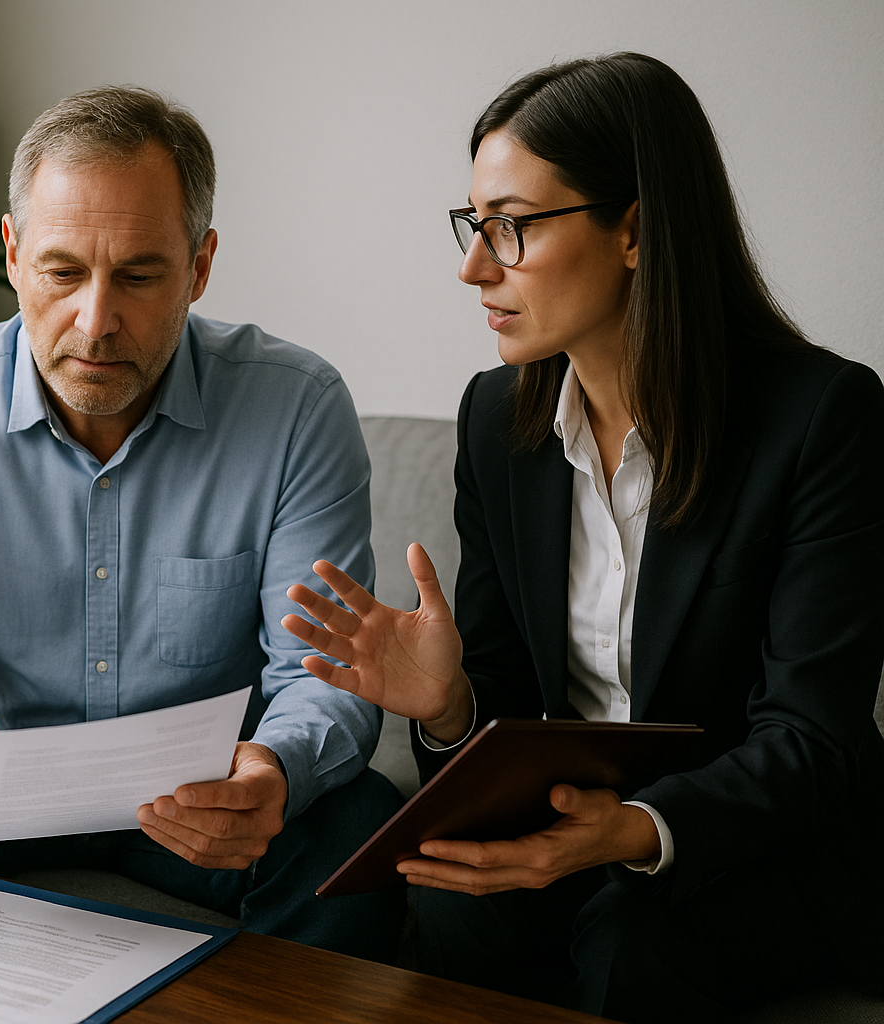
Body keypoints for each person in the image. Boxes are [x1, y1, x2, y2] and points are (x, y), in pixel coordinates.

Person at [284, 52, 884, 1022]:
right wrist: (446, 706)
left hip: (752, 844)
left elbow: (813, 739)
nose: (473, 265)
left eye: (511, 227)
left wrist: (633, 830)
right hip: (575, 827)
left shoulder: (822, 418)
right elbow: (511, 712)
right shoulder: (497, 421)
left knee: (629, 940)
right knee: (452, 902)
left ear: (637, 229)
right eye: (474, 225)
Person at [0, 85, 406, 959]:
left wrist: (274, 770)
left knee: (358, 825)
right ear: (13, 255)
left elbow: (325, 674)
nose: (95, 324)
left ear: (199, 268)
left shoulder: (297, 408)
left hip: (198, 805)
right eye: (62, 272)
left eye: (138, 275)